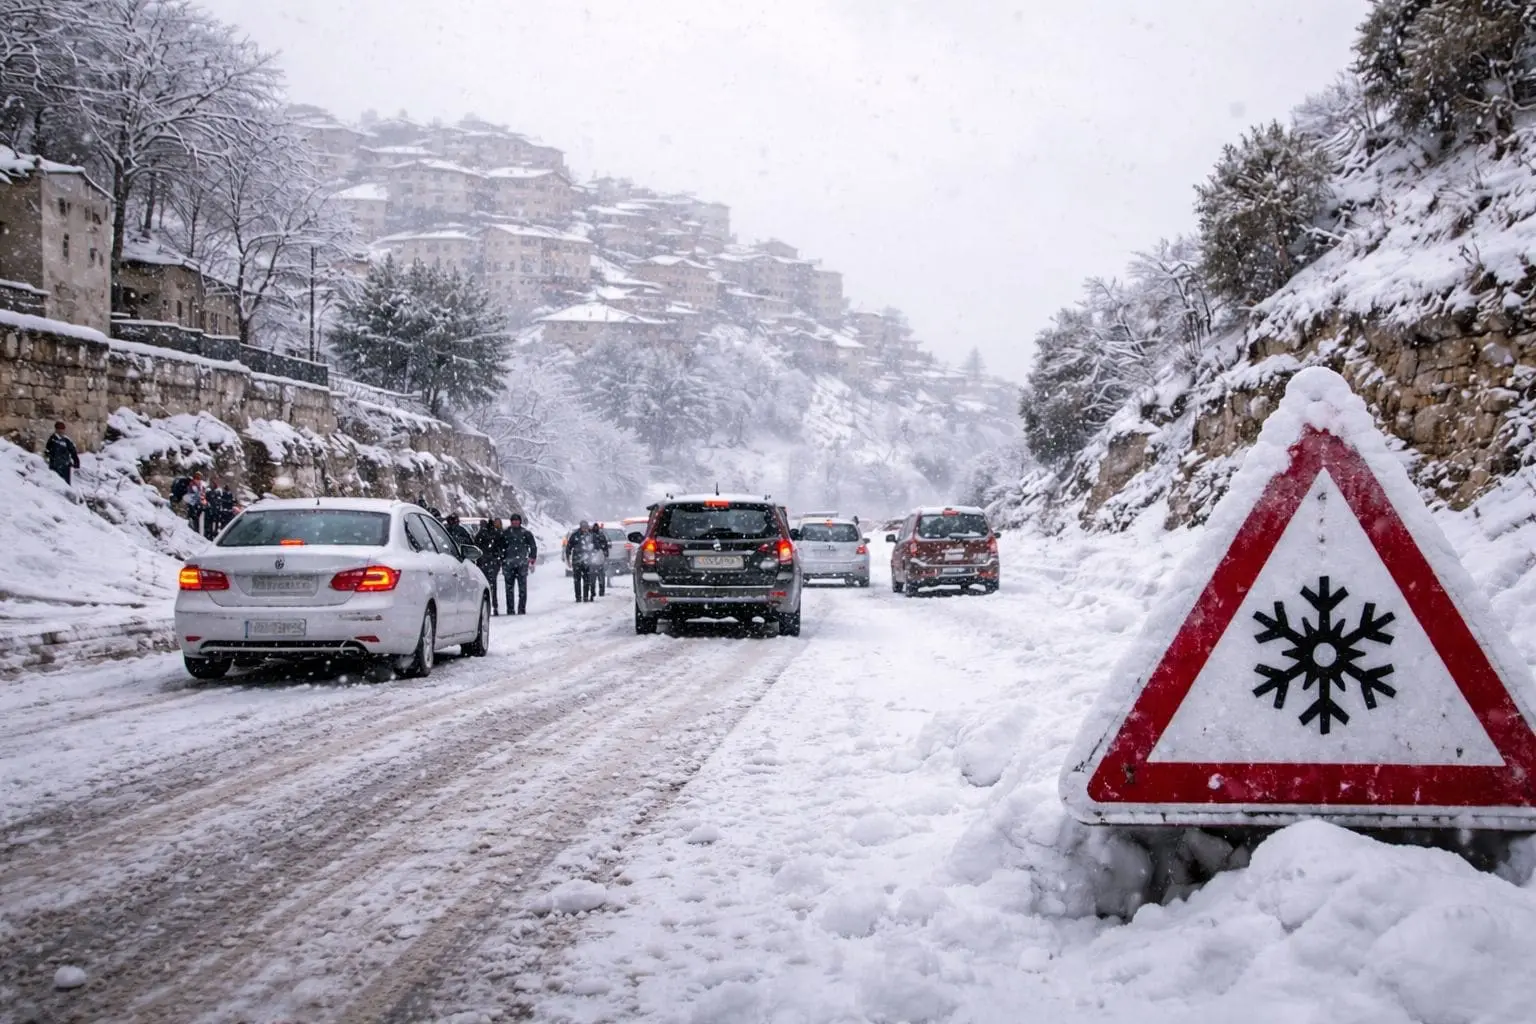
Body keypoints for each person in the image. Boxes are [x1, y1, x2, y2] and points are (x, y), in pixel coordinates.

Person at [501, 513, 537, 615]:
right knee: (509, 589)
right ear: (511, 521)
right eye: (513, 520)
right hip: (508, 564)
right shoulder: (506, 533)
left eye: (517, 520)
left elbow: (533, 546)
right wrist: (502, 559)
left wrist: (532, 557)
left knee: (522, 588)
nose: (515, 522)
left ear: (520, 521)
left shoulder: (526, 533)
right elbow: (500, 547)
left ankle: (521, 609)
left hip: (522, 564)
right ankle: (510, 610)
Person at [475, 517, 507, 614]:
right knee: (492, 585)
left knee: (484, 585)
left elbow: (476, 546)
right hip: (492, 562)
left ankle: (486, 606)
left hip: (484, 562)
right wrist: (499, 558)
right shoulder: (497, 534)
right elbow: (502, 547)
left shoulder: (481, 534)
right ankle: (494, 606)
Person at [564, 520, 600, 603]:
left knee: (586, 579)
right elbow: (569, 547)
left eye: (586, 527)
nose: (585, 529)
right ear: (581, 527)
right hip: (577, 560)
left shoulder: (591, 535)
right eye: (583, 527)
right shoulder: (575, 535)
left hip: (587, 561)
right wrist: (568, 558)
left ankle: (585, 596)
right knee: (577, 580)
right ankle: (578, 597)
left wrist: (594, 552)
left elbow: (597, 547)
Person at [589, 522, 612, 597]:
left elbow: (605, 545)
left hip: (598, 558)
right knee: (597, 576)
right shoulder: (591, 536)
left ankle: (599, 591)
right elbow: (605, 546)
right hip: (594, 559)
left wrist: (605, 554)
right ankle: (595, 591)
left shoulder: (598, 535)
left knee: (598, 576)